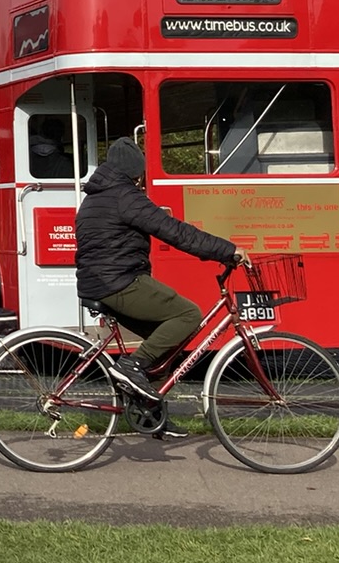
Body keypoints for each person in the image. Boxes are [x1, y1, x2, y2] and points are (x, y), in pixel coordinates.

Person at [74, 137, 244, 409]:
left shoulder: (95, 197)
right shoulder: (125, 197)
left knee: (166, 349)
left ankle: (151, 418)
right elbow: (175, 231)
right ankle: (131, 366)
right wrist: (226, 250)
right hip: (119, 283)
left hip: (99, 282)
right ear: (134, 170)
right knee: (187, 314)